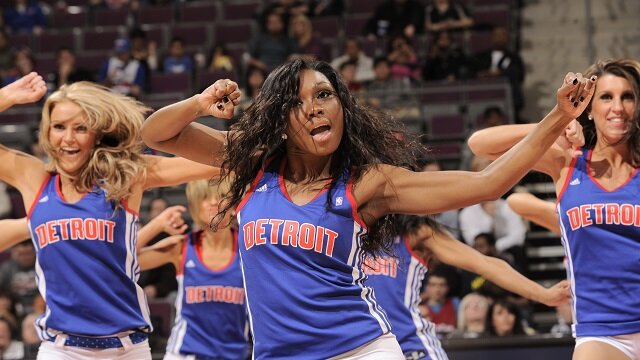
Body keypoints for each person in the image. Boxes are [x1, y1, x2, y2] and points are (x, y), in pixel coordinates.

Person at [141, 58, 591, 359]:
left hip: (359, 349)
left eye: (324, 95)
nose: (314, 109)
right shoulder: (255, 164)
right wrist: (200, 104)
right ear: (280, 118)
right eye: (298, 103)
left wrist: (558, 117)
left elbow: (486, 183)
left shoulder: (366, 182)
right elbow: (156, 135)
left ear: (342, 105)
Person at [0, 72, 220, 359]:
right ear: (46, 131)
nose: (67, 138)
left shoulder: (126, 175)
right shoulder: (35, 178)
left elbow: (214, 164)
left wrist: (198, 106)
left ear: (97, 133)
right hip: (61, 349)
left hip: (127, 349)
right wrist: (6, 97)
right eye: (58, 127)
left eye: (80, 128)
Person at [468, 58, 640, 360]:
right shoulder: (567, 159)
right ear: (588, 106)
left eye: (627, 96)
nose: (618, 107)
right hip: (601, 332)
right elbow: (481, 145)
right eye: (606, 97)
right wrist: (558, 120)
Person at [365, 214, 567, 359]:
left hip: (409, 345)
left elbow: (485, 264)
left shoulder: (415, 233)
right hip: (356, 345)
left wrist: (543, 294)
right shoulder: (344, 231)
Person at [137, 179, 249, 360]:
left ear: (234, 203)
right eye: (205, 197)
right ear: (195, 205)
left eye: (220, 196)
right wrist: (157, 225)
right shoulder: (181, 247)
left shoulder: (248, 249)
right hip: (184, 354)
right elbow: (121, 258)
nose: (213, 202)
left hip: (233, 354)